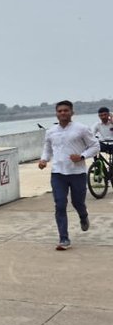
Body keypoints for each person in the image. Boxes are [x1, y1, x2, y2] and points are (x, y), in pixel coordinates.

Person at [38, 100, 99, 250]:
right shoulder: (51, 131)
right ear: (56, 113)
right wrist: (44, 159)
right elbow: (47, 149)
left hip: (77, 173)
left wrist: (82, 156)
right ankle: (64, 238)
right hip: (58, 173)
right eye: (60, 111)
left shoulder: (82, 129)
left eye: (66, 110)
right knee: (60, 204)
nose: (63, 113)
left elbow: (95, 145)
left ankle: (83, 216)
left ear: (72, 112)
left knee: (78, 202)